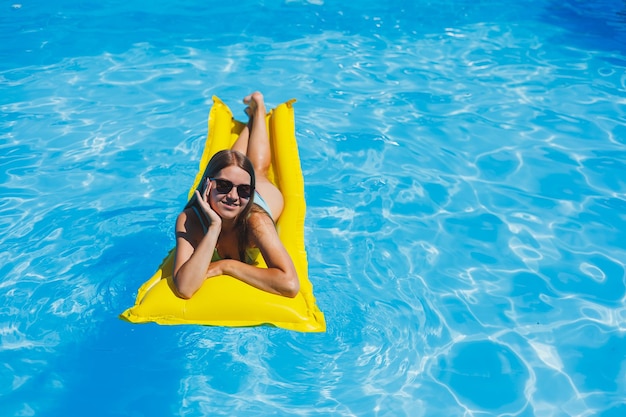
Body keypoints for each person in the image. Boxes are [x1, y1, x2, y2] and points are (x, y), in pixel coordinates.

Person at [173, 92, 300, 299]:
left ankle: (258, 111)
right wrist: (214, 227)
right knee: (235, 163)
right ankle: (251, 120)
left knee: (258, 170)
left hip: (261, 200)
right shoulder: (190, 220)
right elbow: (185, 288)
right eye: (223, 185)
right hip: (228, 204)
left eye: (242, 189)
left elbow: (290, 284)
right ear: (208, 185)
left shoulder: (256, 221)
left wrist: (226, 266)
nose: (232, 196)